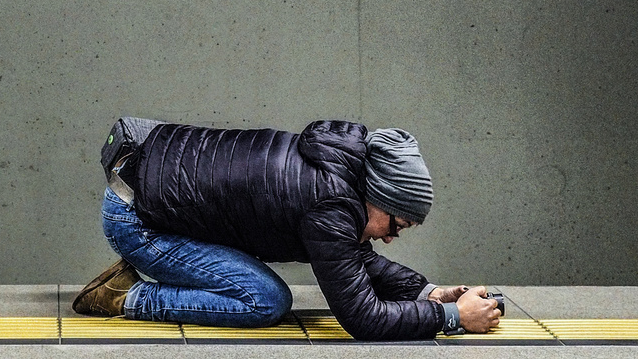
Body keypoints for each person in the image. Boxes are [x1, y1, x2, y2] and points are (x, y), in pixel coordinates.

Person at [72, 117, 502, 340]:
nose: (391, 236)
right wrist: (451, 318)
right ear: (380, 196)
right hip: (138, 221)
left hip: (145, 183)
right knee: (265, 301)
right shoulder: (330, 204)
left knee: (266, 294)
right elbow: (362, 319)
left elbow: (352, 259)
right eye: (396, 224)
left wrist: (428, 293)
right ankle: (123, 297)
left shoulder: (337, 173)